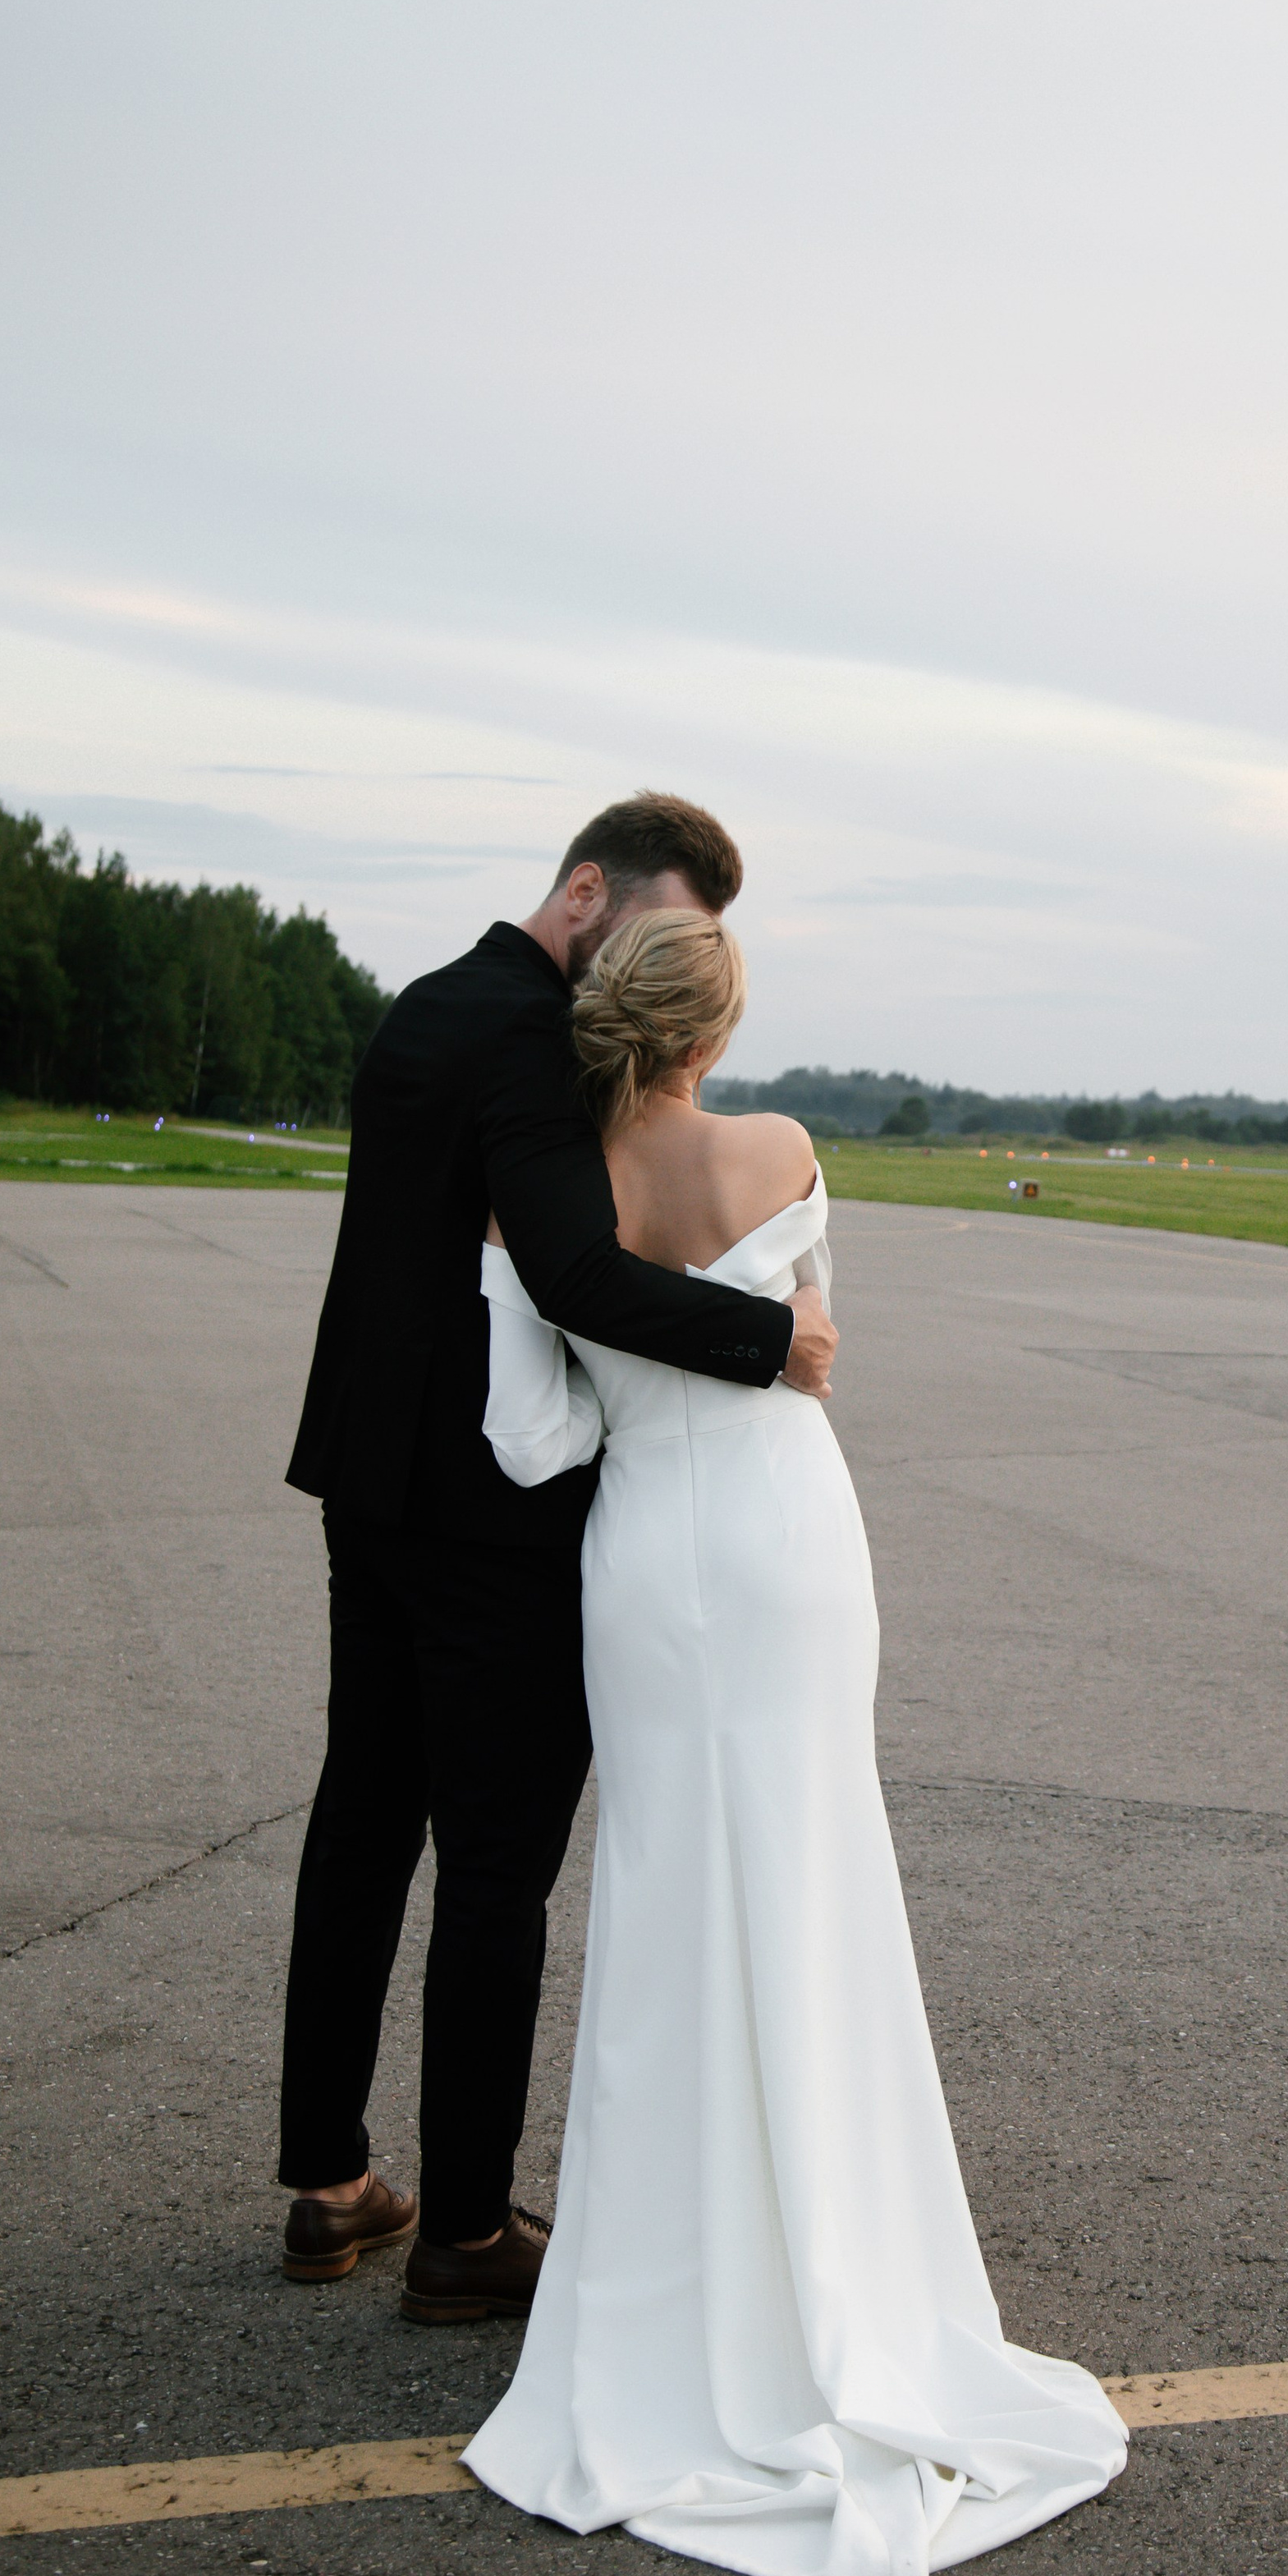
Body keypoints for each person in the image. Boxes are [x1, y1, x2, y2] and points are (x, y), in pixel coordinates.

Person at [460, 907, 1127, 2576]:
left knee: (669, 1907)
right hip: (786, 1544)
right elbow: (816, 1359)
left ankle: (672, 2301)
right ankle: (846, 2279)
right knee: (817, 1885)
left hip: (645, 1561)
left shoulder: (544, 1200)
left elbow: (533, 1444)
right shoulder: (781, 1148)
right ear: (711, 1033)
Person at [275, 795, 837, 2312]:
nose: (652, 964)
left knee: (362, 1820)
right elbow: (578, 1278)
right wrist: (767, 1336)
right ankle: (463, 2231)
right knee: (499, 1866)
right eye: (654, 931)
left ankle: (328, 2184)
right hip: (488, 1516)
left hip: (367, 1483)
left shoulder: (422, 1009)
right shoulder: (528, 1039)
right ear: (585, 888)